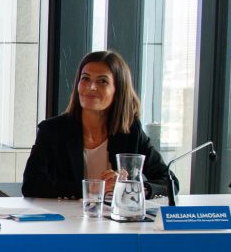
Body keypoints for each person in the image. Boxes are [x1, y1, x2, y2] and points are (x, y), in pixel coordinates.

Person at [22, 49, 171, 199]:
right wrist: (94, 188)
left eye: (102, 81)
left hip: (115, 214)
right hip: (65, 214)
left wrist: (132, 188)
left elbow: (168, 181)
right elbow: (31, 185)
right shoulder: (52, 130)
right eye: (85, 78)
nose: (91, 87)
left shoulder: (131, 131)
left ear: (118, 90)